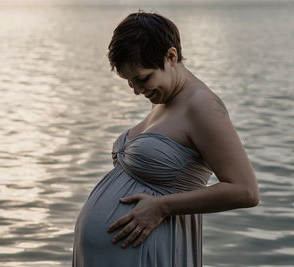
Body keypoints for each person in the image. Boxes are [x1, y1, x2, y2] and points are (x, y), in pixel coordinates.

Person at [72, 11, 259, 267]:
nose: (137, 91)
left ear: (171, 56)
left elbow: (245, 191)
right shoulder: (165, 98)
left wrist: (162, 207)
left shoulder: (203, 106)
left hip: (150, 251)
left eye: (142, 78)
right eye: (129, 82)